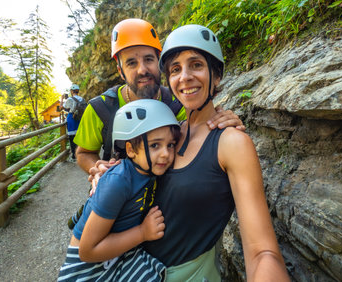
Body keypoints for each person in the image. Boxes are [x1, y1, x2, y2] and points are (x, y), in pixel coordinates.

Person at [141, 24, 290, 281]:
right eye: (175, 69)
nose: (184, 76)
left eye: (196, 65)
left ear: (216, 76)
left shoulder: (232, 142)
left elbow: (262, 251)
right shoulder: (169, 135)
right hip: (139, 268)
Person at [73, 18, 244, 179]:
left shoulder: (179, 104)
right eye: (131, 63)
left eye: (149, 59)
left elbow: (201, 128)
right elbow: (83, 153)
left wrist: (222, 119)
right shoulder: (101, 108)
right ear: (120, 71)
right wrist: (97, 168)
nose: (142, 70)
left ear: (159, 62)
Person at [58, 100, 181, 282]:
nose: (166, 154)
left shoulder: (148, 170)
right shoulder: (119, 181)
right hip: (88, 268)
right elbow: (87, 251)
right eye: (155, 145)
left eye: (170, 145)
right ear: (130, 150)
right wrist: (142, 232)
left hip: (115, 250)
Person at [61, 84, 84, 161]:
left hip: (71, 118)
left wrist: (61, 99)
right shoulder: (82, 99)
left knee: (72, 137)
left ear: (71, 91)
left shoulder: (70, 99)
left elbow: (62, 107)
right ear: (78, 91)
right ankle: (80, 154)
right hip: (80, 119)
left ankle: (74, 155)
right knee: (79, 136)